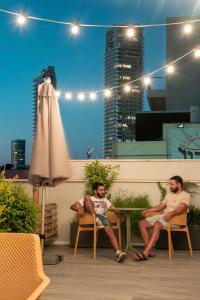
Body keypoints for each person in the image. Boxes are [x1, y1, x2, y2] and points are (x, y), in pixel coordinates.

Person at [134, 175, 191, 261]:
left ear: (179, 185)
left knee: (157, 224)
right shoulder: (169, 195)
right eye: (170, 184)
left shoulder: (186, 195)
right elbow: (160, 207)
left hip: (176, 219)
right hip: (163, 216)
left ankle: (145, 253)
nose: (170, 186)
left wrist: (171, 213)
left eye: (172, 184)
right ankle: (148, 250)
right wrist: (148, 210)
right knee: (142, 223)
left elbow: (181, 208)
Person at [71, 183, 127, 263]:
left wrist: (120, 213)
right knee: (86, 196)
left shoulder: (106, 200)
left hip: (102, 219)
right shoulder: (90, 198)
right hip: (90, 218)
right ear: (95, 191)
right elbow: (72, 206)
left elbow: (114, 209)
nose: (103, 191)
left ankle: (118, 252)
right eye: (101, 190)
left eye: (103, 190)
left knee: (109, 229)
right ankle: (95, 215)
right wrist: (79, 208)